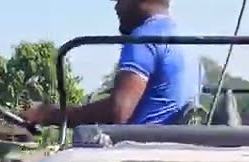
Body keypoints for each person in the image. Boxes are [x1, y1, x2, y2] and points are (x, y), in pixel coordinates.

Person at [23, 0, 192, 126]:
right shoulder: (184, 41)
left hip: (139, 152)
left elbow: (118, 112)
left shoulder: (143, 39)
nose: (116, 8)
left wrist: (49, 114)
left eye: (120, 0)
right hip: (171, 149)